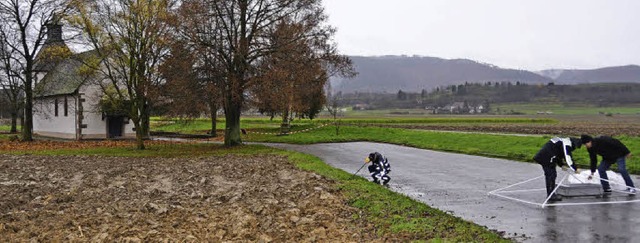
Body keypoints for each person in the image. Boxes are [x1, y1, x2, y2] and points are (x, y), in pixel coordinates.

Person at [533, 137, 582, 202]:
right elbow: (568, 157)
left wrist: (561, 165)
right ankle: (551, 196)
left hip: (548, 157)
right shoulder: (567, 144)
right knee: (551, 176)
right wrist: (575, 168)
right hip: (546, 158)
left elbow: (558, 153)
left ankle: (552, 194)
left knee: (552, 175)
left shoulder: (563, 141)